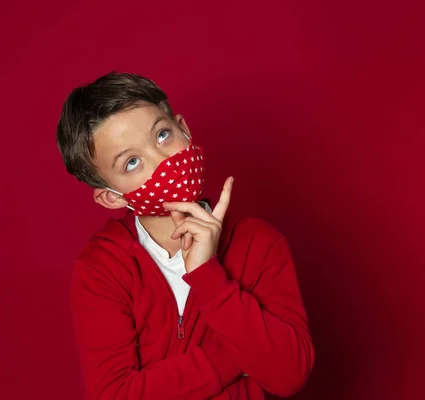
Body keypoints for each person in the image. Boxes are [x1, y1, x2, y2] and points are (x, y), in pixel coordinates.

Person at [56, 72, 314, 399]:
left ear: (184, 129)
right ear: (112, 197)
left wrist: (208, 276)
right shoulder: (102, 269)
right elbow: (115, 395)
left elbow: (288, 374)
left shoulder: (258, 243)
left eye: (163, 135)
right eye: (132, 162)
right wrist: (233, 358)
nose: (164, 160)